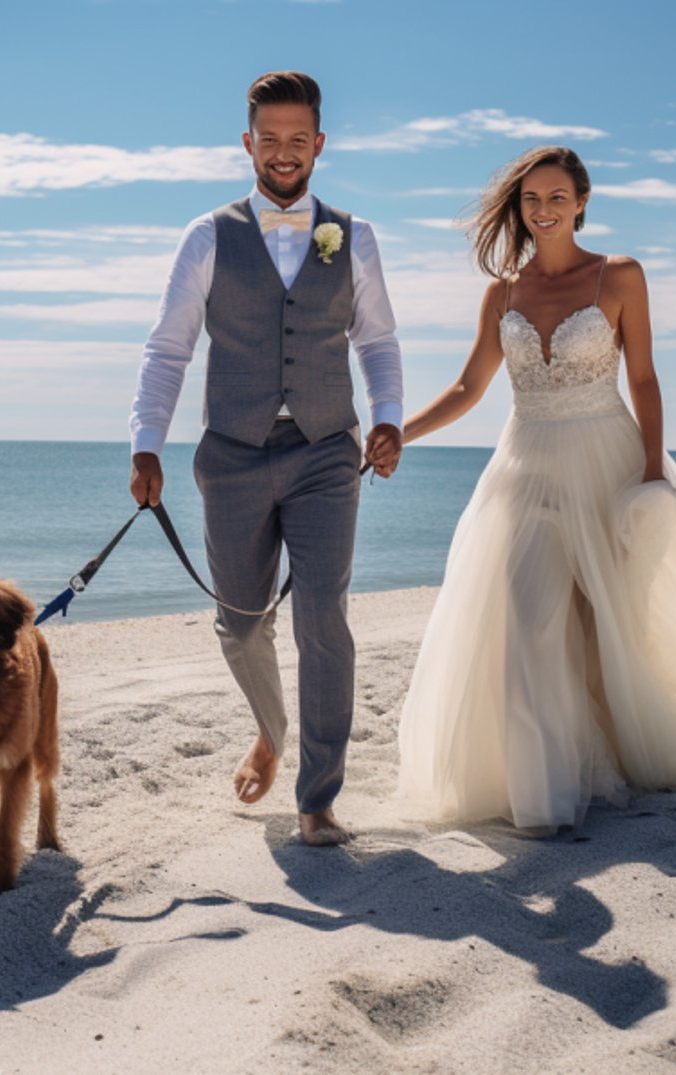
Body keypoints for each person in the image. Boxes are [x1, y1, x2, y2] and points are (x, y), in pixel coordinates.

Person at [394, 146, 676, 833]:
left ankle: (616, 758)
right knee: (528, 615)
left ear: (581, 202)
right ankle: (541, 795)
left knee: (608, 626)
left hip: (608, 459)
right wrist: (399, 433)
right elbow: (467, 388)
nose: (543, 211)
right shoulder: (503, 292)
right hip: (524, 468)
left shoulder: (621, 275)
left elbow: (643, 380)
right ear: (518, 209)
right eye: (530, 200)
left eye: (556, 198)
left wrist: (654, 469)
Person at [128, 71, 405, 846]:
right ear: (248, 143)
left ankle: (317, 798)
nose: (284, 153)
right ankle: (273, 731)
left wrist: (388, 420)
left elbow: (376, 340)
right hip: (233, 453)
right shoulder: (207, 236)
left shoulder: (355, 236)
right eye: (269, 139)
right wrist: (145, 443)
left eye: (298, 139)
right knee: (242, 623)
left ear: (319, 144)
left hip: (325, 450)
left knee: (324, 616)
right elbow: (169, 348)